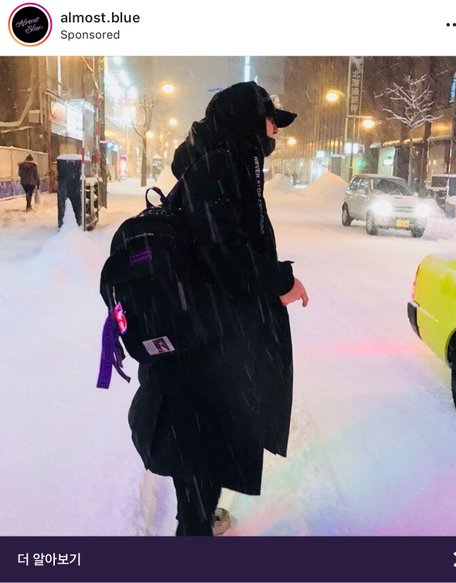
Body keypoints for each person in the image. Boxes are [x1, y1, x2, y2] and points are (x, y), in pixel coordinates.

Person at [127, 81, 309, 536]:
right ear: (247, 120)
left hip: (206, 329)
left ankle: (197, 519)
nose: (275, 131)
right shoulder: (220, 164)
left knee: (204, 440)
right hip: (206, 337)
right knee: (204, 438)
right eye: (271, 121)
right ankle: (194, 530)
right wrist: (280, 280)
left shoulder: (219, 160)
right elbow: (224, 253)